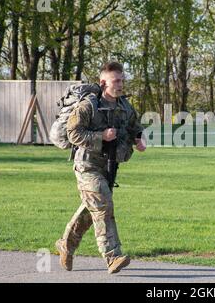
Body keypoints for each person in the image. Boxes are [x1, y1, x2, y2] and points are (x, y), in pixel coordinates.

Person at [55, 62, 146, 274]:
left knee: (92, 210)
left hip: (109, 166)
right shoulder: (88, 106)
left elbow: (136, 127)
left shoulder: (125, 107)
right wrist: (101, 136)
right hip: (86, 165)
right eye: (116, 80)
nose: (121, 84)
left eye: (122, 80)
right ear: (103, 82)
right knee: (103, 205)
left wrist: (140, 139)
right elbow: (73, 133)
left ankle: (65, 245)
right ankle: (112, 256)